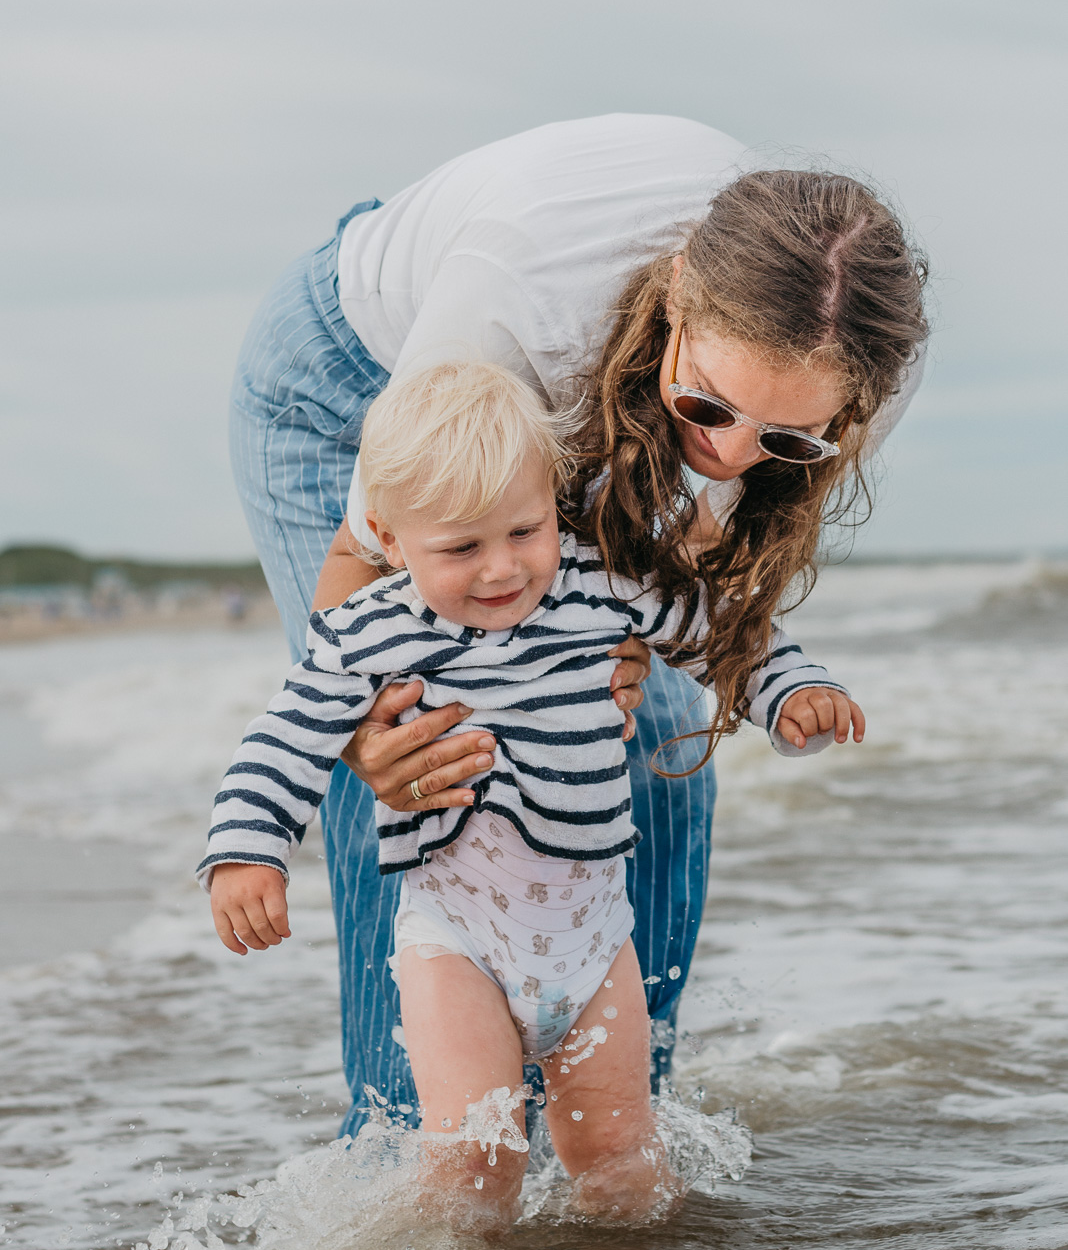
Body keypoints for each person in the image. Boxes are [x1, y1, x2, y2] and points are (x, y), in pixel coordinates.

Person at [228, 114, 928, 1134]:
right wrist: (365, 729)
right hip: (344, 382)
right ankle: (419, 1152)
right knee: (437, 744)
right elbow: (361, 593)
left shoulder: (849, 354)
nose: (732, 457)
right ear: (680, 296)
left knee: (650, 719)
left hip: (601, 387)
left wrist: (674, 648)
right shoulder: (520, 318)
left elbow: (692, 585)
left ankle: (618, 1123)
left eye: (784, 437)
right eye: (710, 408)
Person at [205, 361, 863, 1225]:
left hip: (593, 942)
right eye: (460, 548)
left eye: (524, 530)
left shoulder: (600, 585)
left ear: (553, 501)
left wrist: (789, 690)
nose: (501, 569)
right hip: (458, 938)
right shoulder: (373, 630)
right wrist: (248, 850)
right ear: (388, 539)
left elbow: (723, 629)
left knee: (621, 1157)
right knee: (473, 1160)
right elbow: (286, 735)